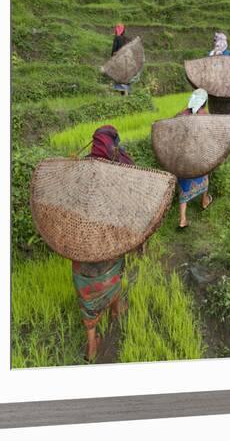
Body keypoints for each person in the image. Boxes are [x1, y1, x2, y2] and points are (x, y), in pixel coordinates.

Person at [72, 125, 132, 361]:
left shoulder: (79, 170)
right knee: (113, 274)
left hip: (81, 242)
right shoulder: (121, 168)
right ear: (113, 143)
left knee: (86, 288)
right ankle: (116, 310)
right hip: (110, 239)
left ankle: (91, 343)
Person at [176, 89, 214, 228]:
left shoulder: (180, 115)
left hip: (183, 157)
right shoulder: (205, 115)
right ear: (205, 102)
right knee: (204, 176)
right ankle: (204, 201)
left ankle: (182, 219)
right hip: (199, 156)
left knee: (184, 183)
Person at [111, 24, 132, 96]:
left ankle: (122, 94)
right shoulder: (126, 39)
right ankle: (128, 93)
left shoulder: (117, 38)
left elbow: (114, 50)